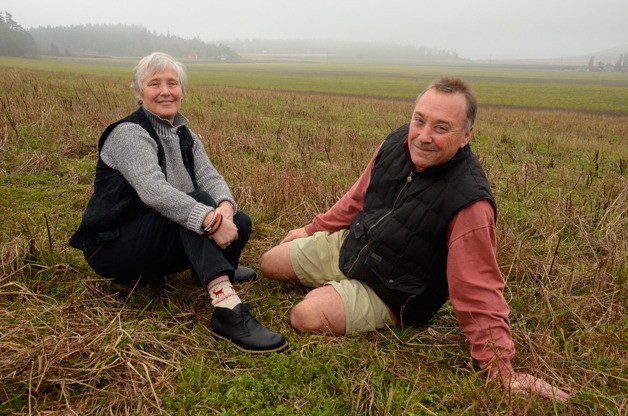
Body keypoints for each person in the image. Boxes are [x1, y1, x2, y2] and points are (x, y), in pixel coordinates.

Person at [260, 77, 569, 400]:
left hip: (393, 290)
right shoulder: (396, 143)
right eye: (419, 120)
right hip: (355, 246)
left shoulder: (469, 202)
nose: (423, 136)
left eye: (441, 128)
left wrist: (500, 369)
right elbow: (357, 198)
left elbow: (477, 287)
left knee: (305, 315)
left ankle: (341, 296)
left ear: (466, 136)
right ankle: (335, 287)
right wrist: (313, 229)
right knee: (270, 261)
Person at [69, 52, 287, 354]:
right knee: (196, 205)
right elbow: (154, 191)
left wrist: (224, 207)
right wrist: (210, 220)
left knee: (240, 221)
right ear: (139, 92)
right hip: (113, 248)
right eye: (154, 83)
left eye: (172, 83)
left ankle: (216, 269)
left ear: (182, 91)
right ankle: (227, 309)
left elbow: (210, 176)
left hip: (153, 237)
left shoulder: (185, 134)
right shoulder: (129, 133)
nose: (165, 91)